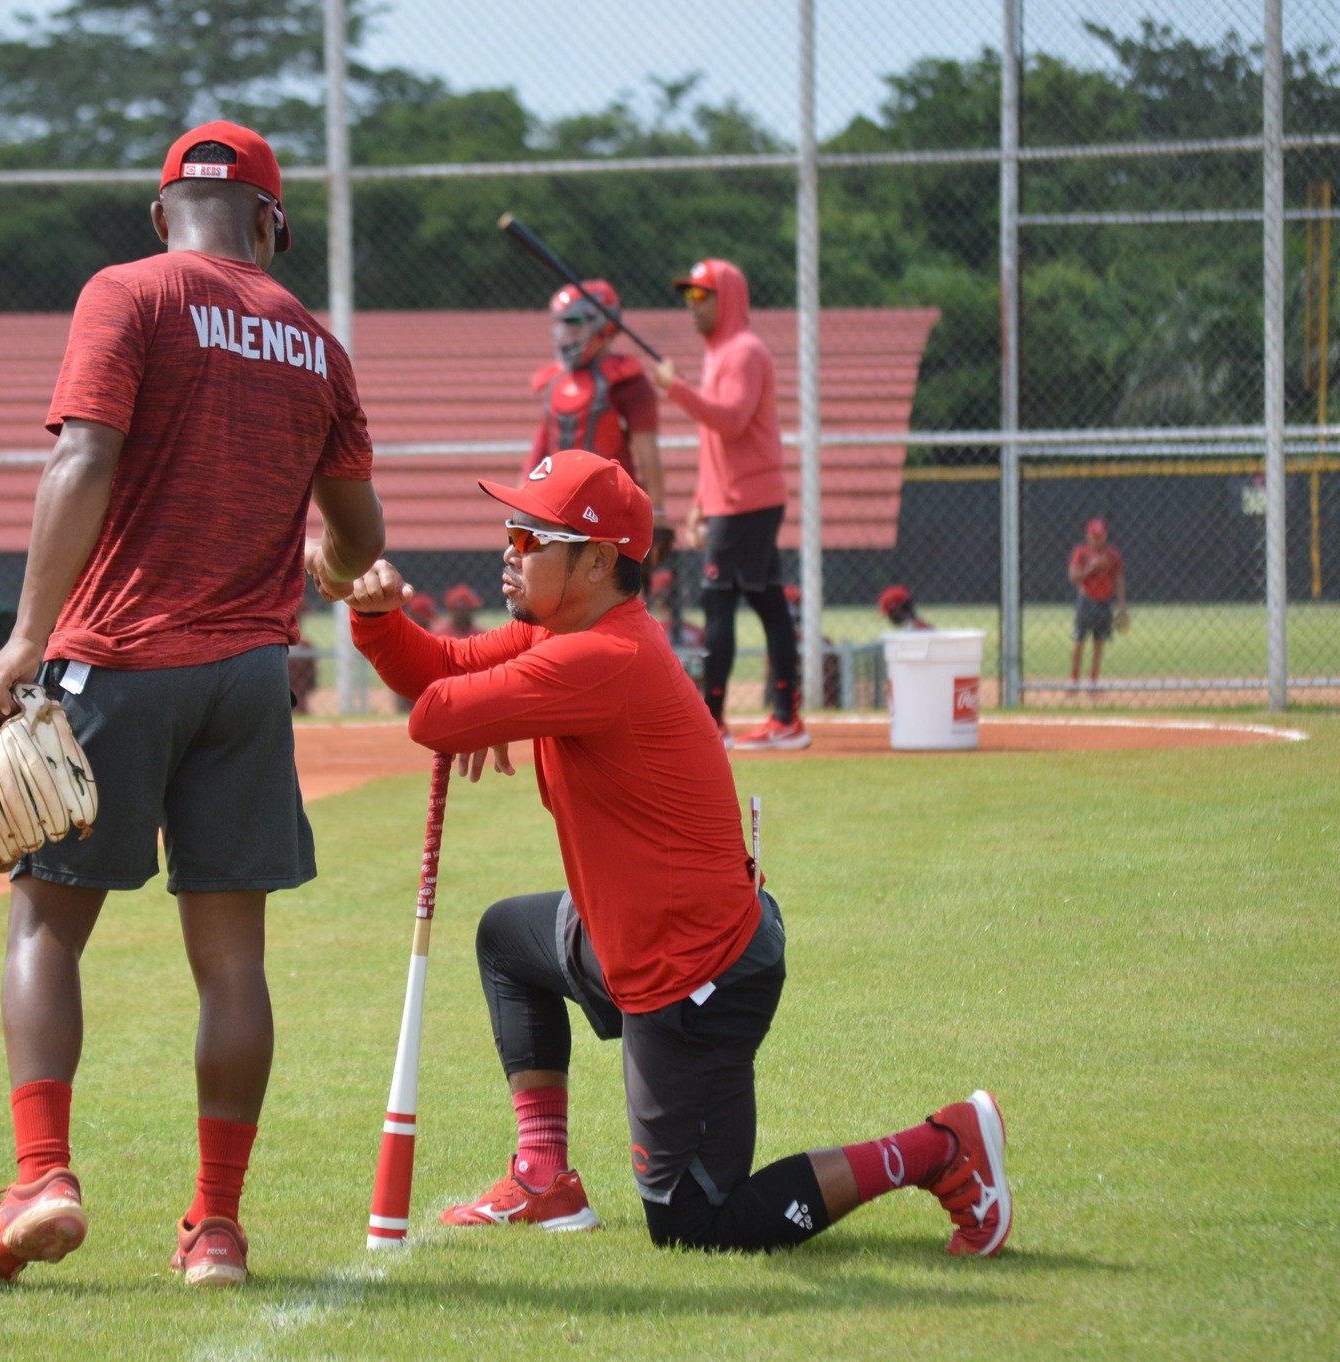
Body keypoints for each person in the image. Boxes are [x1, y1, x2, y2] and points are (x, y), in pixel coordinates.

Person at [339, 449, 1010, 1258]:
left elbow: (435, 714)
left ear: (596, 562)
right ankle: (545, 1179)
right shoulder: (563, 632)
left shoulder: (600, 654)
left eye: (529, 538)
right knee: (507, 943)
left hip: (697, 975)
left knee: (697, 1227)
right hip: (633, 939)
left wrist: (481, 710)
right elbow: (438, 672)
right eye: (509, 531)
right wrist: (374, 616)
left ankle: (941, 1148)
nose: (508, 552)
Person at [0, 120, 385, 1290]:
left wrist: (26, 636)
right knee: (232, 963)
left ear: (160, 214)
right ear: (270, 224)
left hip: (118, 660)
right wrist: (334, 563)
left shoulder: (126, 292)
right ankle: (215, 1231)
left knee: (45, 925)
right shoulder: (314, 343)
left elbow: (81, 458)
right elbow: (358, 532)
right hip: (249, 681)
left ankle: (41, 1177)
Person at [651, 260, 809, 751]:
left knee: (717, 601)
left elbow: (733, 421)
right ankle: (785, 719)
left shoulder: (744, 352)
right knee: (768, 602)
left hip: (746, 501)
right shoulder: (720, 354)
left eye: (702, 296)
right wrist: (702, 500)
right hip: (735, 500)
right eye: (688, 296)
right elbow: (715, 442)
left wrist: (675, 389)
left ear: (729, 299)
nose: (691, 305)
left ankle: (711, 722)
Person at [528, 281, 672, 566]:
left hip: (610, 510)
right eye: (561, 323)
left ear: (604, 326)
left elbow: (648, 456)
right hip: (558, 507)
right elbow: (541, 449)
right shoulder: (554, 383)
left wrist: (656, 513)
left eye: (574, 323)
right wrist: (525, 505)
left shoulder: (629, 383)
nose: (565, 332)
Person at [1068, 518, 1127, 685]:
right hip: (1086, 600)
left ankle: (1093, 680)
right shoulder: (1081, 552)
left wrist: (1122, 606)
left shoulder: (1112, 554)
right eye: (1094, 537)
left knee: (1099, 642)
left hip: (1105, 602)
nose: (1098, 541)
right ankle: (1074, 679)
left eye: (1100, 537)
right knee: (1079, 641)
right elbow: (1073, 577)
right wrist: (1091, 569)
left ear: (1105, 536)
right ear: (1088, 536)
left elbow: (1119, 579)